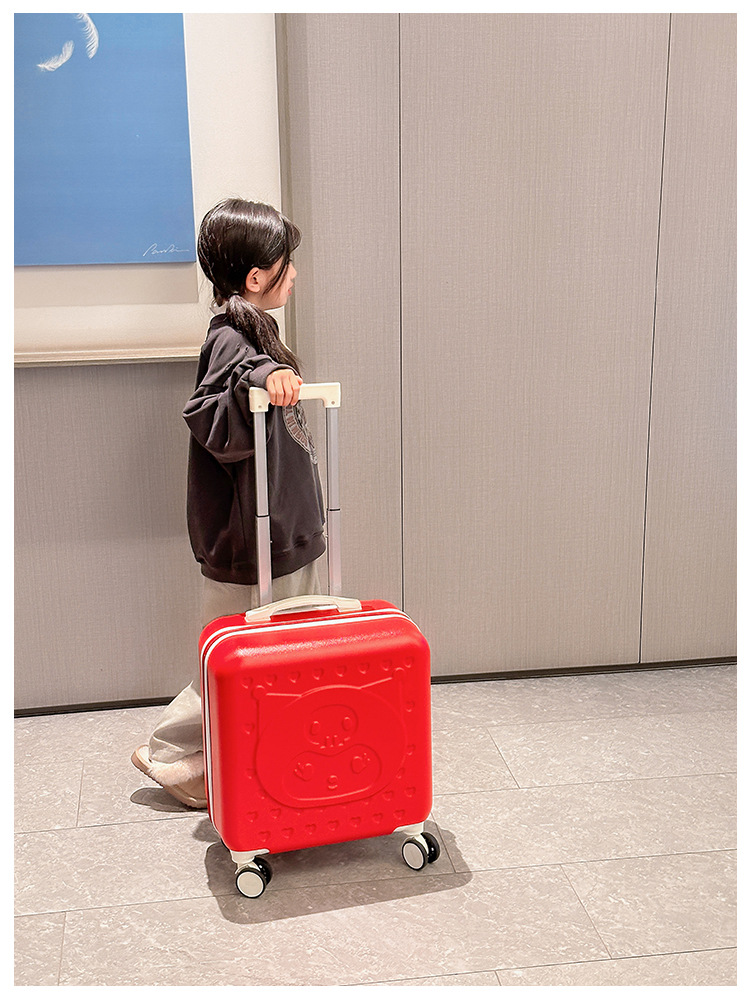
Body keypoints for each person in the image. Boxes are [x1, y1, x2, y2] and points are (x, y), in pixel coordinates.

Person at [131, 198, 327, 808]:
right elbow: (226, 392)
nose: (295, 274)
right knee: (235, 654)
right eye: (287, 264)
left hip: (280, 535)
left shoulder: (253, 331)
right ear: (256, 277)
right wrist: (264, 377)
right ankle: (170, 752)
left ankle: (222, 760)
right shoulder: (231, 339)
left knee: (265, 652)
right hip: (253, 542)